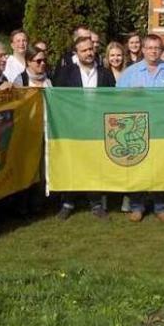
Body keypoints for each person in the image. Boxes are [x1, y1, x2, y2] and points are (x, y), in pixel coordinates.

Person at [117, 34, 164, 222]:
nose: (153, 51)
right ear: (143, 50)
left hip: (163, 128)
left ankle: (161, 207)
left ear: (161, 50)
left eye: (157, 48)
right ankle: (137, 207)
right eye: (149, 47)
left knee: (161, 167)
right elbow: (117, 98)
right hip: (137, 129)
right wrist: (131, 95)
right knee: (136, 166)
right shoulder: (130, 72)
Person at [53, 36, 115, 220]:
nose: (88, 53)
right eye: (84, 50)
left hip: (97, 127)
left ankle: (96, 203)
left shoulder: (105, 73)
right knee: (72, 164)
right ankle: (68, 202)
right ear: (76, 53)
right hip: (72, 127)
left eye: (90, 49)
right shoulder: (65, 72)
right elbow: (58, 99)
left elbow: (112, 100)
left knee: (95, 165)